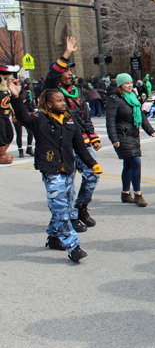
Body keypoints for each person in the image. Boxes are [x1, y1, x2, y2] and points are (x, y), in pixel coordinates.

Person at [9, 81, 103, 262]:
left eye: (63, 100)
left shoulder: (70, 120)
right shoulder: (39, 119)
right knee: (61, 210)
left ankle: (53, 238)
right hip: (51, 172)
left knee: (64, 208)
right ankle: (73, 246)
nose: (63, 103)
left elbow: (80, 147)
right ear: (49, 104)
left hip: (68, 171)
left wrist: (92, 164)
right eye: (59, 101)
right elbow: (21, 115)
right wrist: (16, 97)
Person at [44, 37, 101, 231]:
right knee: (69, 183)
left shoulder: (78, 91)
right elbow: (51, 76)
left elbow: (85, 115)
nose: (70, 73)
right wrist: (65, 55)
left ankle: (81, 207)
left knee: (93, 174)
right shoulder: (53, 91)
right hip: (63, 143)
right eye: (66, 70)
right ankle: (70, 217)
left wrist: (93, 136)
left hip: (82, 142)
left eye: (70, 70)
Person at [106, 73, 155, 207]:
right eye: (126, 83)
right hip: (122, 136)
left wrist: (150, 130)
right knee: (135, 162)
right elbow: (110, 120)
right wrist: (114, 138)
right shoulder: (114, 99)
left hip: (133, 135)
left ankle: (125, 193)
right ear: (120, 85)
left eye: (130, 82)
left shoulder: (133, 98)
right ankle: (138, 194)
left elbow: (142, 116)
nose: (129, 85)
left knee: (128, 165)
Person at [0, 65, 20, 164]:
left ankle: (2, 152)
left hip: (6, 116)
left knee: (9, 134)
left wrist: (14, 113)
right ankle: (2, 154)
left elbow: (9, 104)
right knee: (2, 135)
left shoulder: (6, 92)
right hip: (0, 117)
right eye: (5, 78)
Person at [11, 82, 35, 157]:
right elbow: (10, 106)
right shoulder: (12, 95)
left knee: (30, 132)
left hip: (26, 115)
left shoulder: (26, 94)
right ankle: (20, 150)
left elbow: (29, 104)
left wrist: (33, 112)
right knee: (19, 133)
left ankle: (29, 148)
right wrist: (13, 115)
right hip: (17, 115)